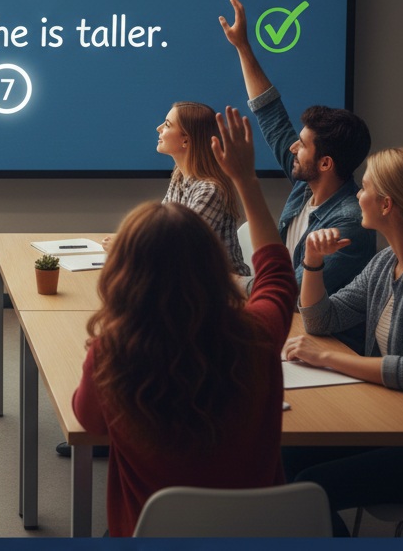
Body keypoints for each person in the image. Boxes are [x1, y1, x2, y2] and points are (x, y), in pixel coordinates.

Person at [72, 107, 298, 537]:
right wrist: (247, 179)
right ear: (212, 262)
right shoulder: (258, 335)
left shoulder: (112, 352)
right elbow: (276, 272)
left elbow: (90, 422)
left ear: (124, 272)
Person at [281, 147, 403, 535]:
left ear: (386, 203)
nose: (357, 196)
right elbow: (320, 319)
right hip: (391, 421)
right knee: (284, 456)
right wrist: (313, 262)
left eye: (364, 188)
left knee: (312, 488)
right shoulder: (384, 263)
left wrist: (326, 358)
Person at [220, 0, 373, 344]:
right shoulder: (309, 186)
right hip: (290, 332)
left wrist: (227, 280)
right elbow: (271, 116)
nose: (292, 147)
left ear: (325, 163)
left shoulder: (348, 223)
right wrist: (243, 47)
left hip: (323, 345)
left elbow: (291, 293)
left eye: (301, 145)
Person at [157, 100, 249, 275]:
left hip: (222, 289)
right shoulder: (179, 175)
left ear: (186, 140)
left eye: (167, 125)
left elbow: (178, 246)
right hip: (188, 280)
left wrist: (130, 246)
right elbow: (159, 225)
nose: (159, 128)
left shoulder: (210, 190)